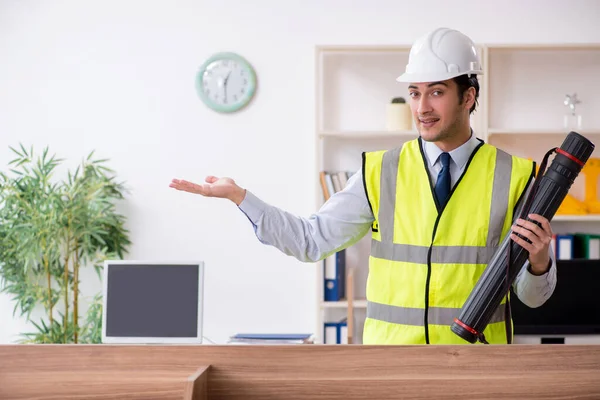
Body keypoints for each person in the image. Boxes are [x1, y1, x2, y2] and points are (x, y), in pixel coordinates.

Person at [170, 27, 557, 345]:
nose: (422, 107)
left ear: (468, 97)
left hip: (477, 368)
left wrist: (540, 262)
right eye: (415, 93)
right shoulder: (380, 171)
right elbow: (311, 240)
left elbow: (531, 298)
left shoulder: (517, 175)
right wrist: (240, 197)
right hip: (390, 369)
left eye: (436, 92)